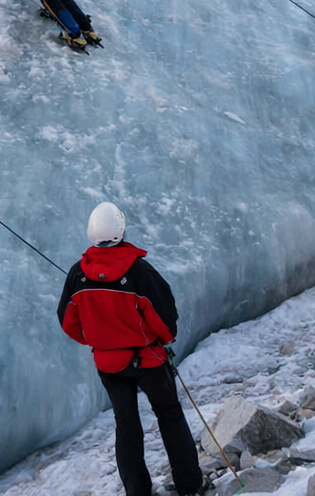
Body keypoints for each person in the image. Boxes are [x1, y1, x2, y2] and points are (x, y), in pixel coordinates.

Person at [57, 202, 205, 496]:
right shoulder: (139, 271)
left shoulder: (78, 274)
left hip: (109, 365)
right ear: (121, 230)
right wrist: (160, 340)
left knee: (126, 424)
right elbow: (164, 320)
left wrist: (99, 341)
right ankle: (190, 486)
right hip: (149, 361)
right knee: (169, 414)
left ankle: (138, 492)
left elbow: (67, 321)